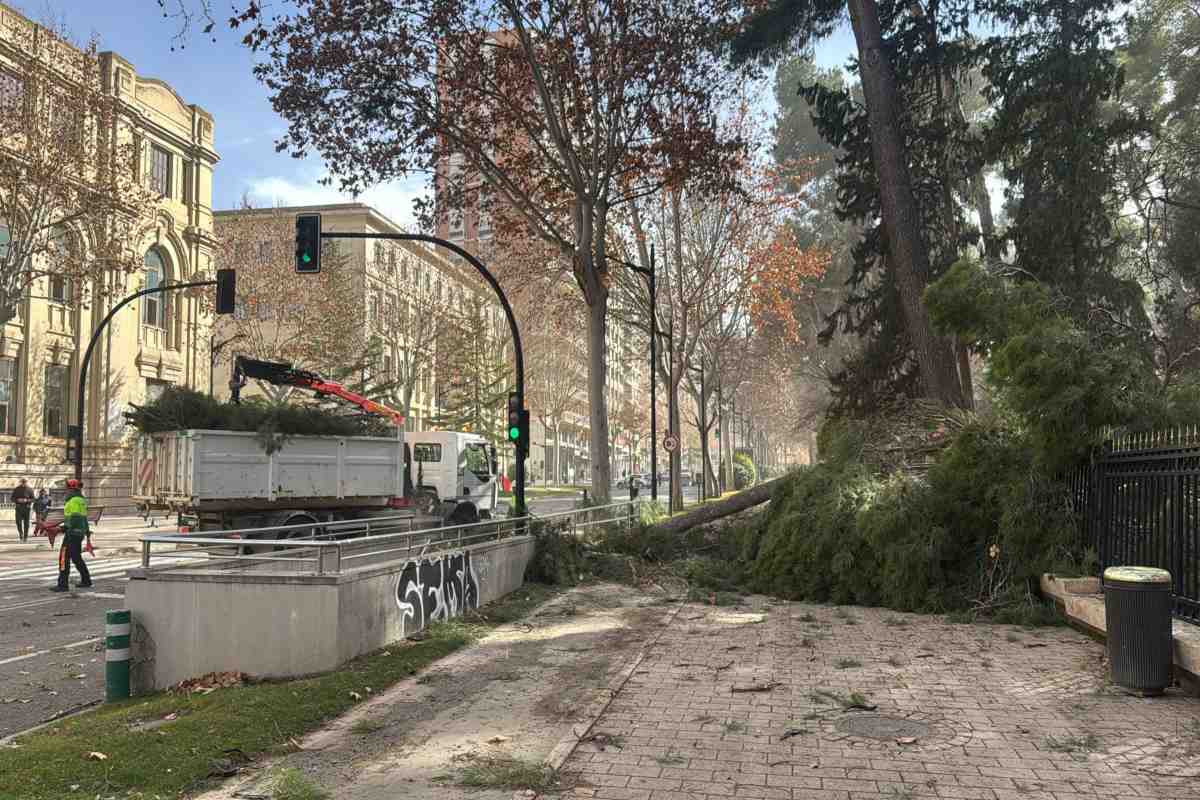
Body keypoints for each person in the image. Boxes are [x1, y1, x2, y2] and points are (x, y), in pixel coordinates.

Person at [52, 479, 92, 592]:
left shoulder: (73, 500)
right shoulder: (80, 499)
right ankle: (86, 580)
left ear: (71, 488)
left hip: (72, 533)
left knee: (63, 557)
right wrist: (87, 532)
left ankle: (63, 585)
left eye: (66, 488)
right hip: (79, 533)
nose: (65, 490)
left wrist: (63, 528)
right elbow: (83, 517)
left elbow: (75, 517)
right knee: (76, 557)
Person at [11, 478, 34, 543]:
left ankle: (25, 537)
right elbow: (12, 498)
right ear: (20, 482)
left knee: (26, 524)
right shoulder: (16, 489)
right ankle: (21, 534)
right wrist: (17, 500)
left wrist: (27, 500)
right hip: (19, 508)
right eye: (22, 482)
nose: (23, 483)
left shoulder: (30, 489)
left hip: (27, 508)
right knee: (18, 522)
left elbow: (33, 499)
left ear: (26, 482)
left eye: (25, 482)